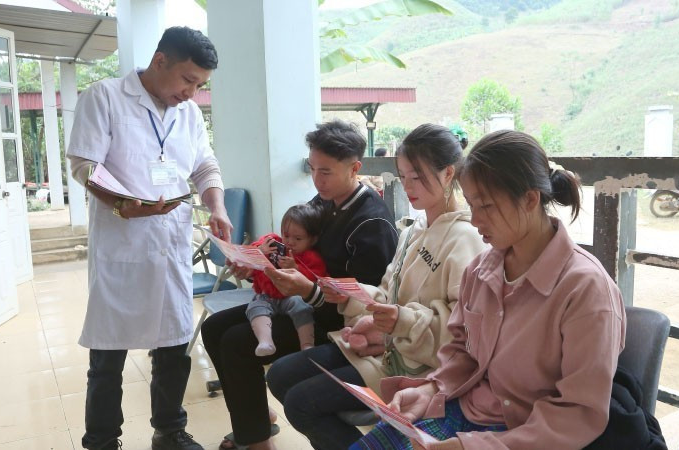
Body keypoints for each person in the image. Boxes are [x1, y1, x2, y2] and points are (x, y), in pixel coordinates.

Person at [351, 130, 626, 450]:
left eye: (486, 207)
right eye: (471, 205)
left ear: (529, 199)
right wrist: (431, 389)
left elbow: (578, 414)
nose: (476, 220)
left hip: (524, 434)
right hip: (466, 411)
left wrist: (473, 446)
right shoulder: (482, 270)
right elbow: (460, 350)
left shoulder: (584, 290)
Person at [265, 124, 487, 450]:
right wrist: (353, 294)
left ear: (448, 173)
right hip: (387, 349)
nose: (408, 186)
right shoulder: (415, 229)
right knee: (280, 375)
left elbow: (463, 333)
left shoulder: (465, 238)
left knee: (300, 402)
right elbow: (386, 292)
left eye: (417, 176)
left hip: (417, 366)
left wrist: (400, 321)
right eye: (403, 176)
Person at [66, 27, 231, 450]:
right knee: (108, 357)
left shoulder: (189, 114)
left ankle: (170, 431)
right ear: (160, 61)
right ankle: (101, 441)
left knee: (173, 349)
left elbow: (204, 165)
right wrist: (123, 204)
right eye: (187, 80)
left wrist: (217, 208)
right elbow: (84, 165)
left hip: (170, 246)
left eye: (200, 85)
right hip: (123, 246)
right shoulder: (104, 97)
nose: (192, 93)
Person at [201, 120, 399, 450]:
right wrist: (256, 263)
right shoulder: (326, 201)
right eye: (313, 169)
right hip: (301, 301)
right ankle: (254, 417)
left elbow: (365, 302)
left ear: (355, 168)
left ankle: (257, 440)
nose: (317, 180)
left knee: (237, 342)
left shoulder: (371, 222)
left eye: (326, 172)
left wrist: (306, 289)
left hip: (334, 323)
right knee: (214, 328)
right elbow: (299, 250)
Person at [246, 203, 328, 356]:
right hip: (267, 296)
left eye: (298, 238)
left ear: (312, 240)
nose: (289, 242)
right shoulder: (272, 242)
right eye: (286, 235)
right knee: (254, 306)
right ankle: (265, 341)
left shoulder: (311, 257)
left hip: (292, 298)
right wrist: (259, 251)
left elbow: (316, 278)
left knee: (301, 307)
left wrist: (296, 268)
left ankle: (307, 345)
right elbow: (251, 251)